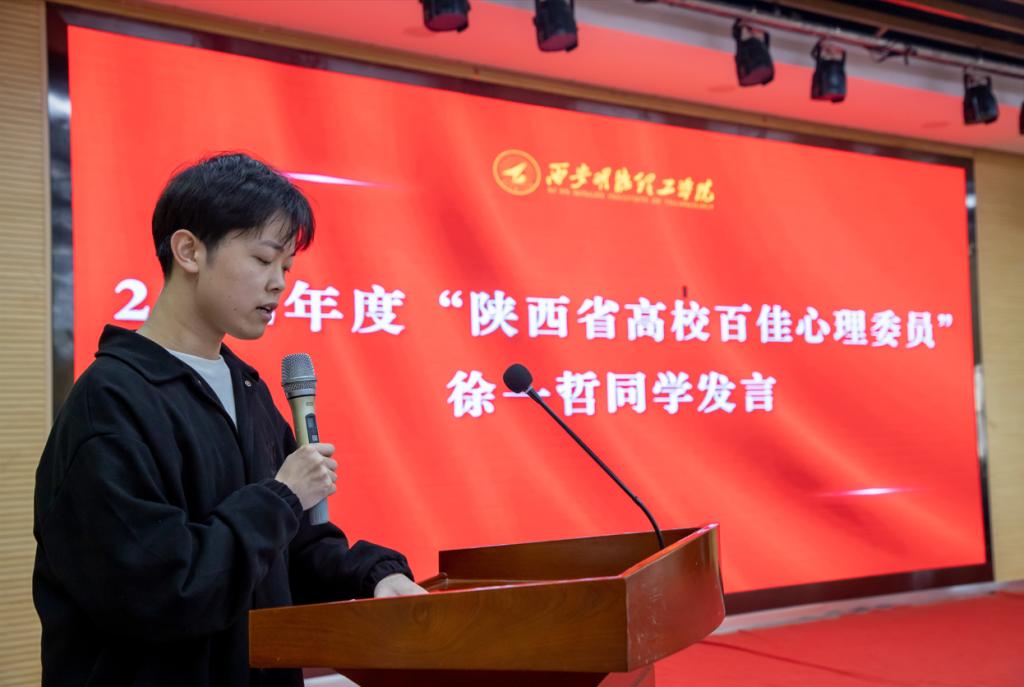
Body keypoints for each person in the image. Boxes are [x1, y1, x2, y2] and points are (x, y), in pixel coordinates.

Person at [33, 153, 426, 687]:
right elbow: (160, 590)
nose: (280, 284)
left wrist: (371, 576)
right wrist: (282, 497)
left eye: (287, 267)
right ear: (189, 250)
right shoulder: (111, 403)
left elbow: (287, 551)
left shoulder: (249, 392)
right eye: (264, 260)